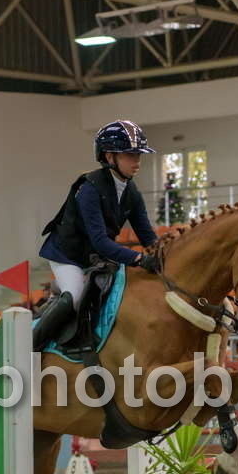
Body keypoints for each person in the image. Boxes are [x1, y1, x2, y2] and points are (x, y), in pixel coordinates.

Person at [34, 120, 160, 351]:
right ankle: (29, 346)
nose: (137, 161)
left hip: (95, 255)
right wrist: (138, 258)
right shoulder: (89, 188)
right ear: (109, 156)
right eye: (130, 155)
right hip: (68, 255)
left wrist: (162, 253)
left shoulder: (131, 191)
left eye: (138, 155)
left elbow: (147, 235)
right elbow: (100, 241)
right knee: (74, 295)